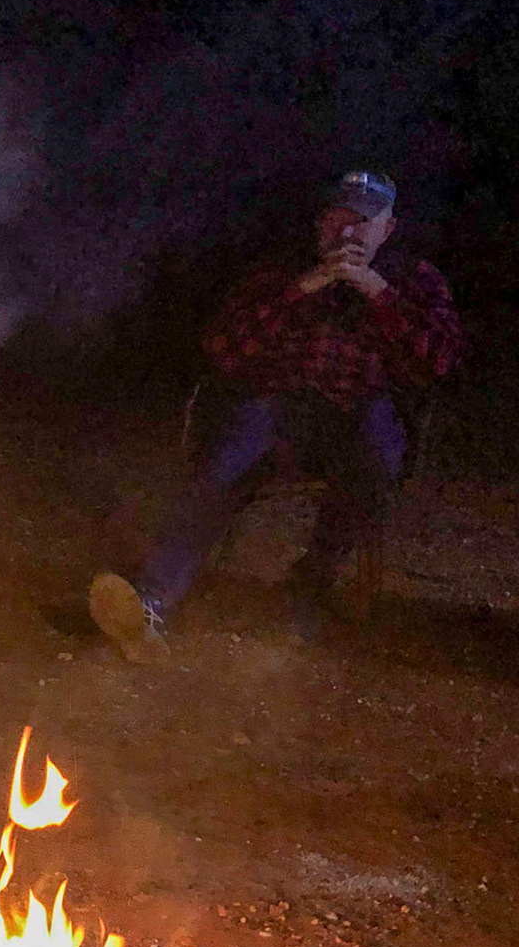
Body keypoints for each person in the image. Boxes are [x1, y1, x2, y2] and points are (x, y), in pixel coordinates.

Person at [90, 171, 467, 662]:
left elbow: (438, 359)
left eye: (363, 222)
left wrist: (377, 293)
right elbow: (220, 347)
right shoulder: (280, 273)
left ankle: (310, 585)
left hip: (359, 411)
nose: (348, 233)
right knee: (226, 458)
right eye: (338, 219)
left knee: (377, 457)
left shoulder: (414, 280)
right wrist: (302, 290)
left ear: (386, 229)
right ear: (319, 223)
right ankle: (153, 601)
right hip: (277, 408)